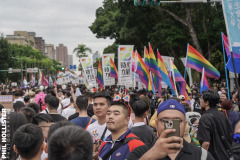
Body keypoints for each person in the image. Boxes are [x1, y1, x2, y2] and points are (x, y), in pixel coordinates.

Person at [128, 99, 214, 160]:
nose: (171, 125)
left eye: (177, 121)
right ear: (157, 124)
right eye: (165, 120)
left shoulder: (201, 155)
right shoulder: (139, 153)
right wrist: (150, 156)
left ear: (185, 125)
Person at [197, 90, 232, 160]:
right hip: (225, 154)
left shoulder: (205, 118)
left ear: (207, 103)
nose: (200, 100)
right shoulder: (222, 114)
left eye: (201, 98)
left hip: (213, 156)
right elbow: (230, 133)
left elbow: (206, 142)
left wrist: (202, 158)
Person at [86, 92, 112, 159]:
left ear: (109, 106)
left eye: (101, 104)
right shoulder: (90, 128)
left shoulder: (115, 127)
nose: (98, 107)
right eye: (95, 104)